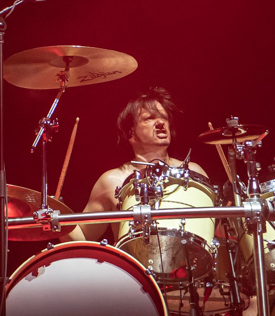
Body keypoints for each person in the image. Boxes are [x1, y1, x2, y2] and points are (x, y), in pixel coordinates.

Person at [65, 86, 208, 243]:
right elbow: (84, 236)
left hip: (189, 264)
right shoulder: (113, 181)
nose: (161, 122)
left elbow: (216, 229)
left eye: (164, 117)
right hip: (132, 266)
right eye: (149, 118)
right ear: (130, 133)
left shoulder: (193, 172)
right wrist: (54, 220)